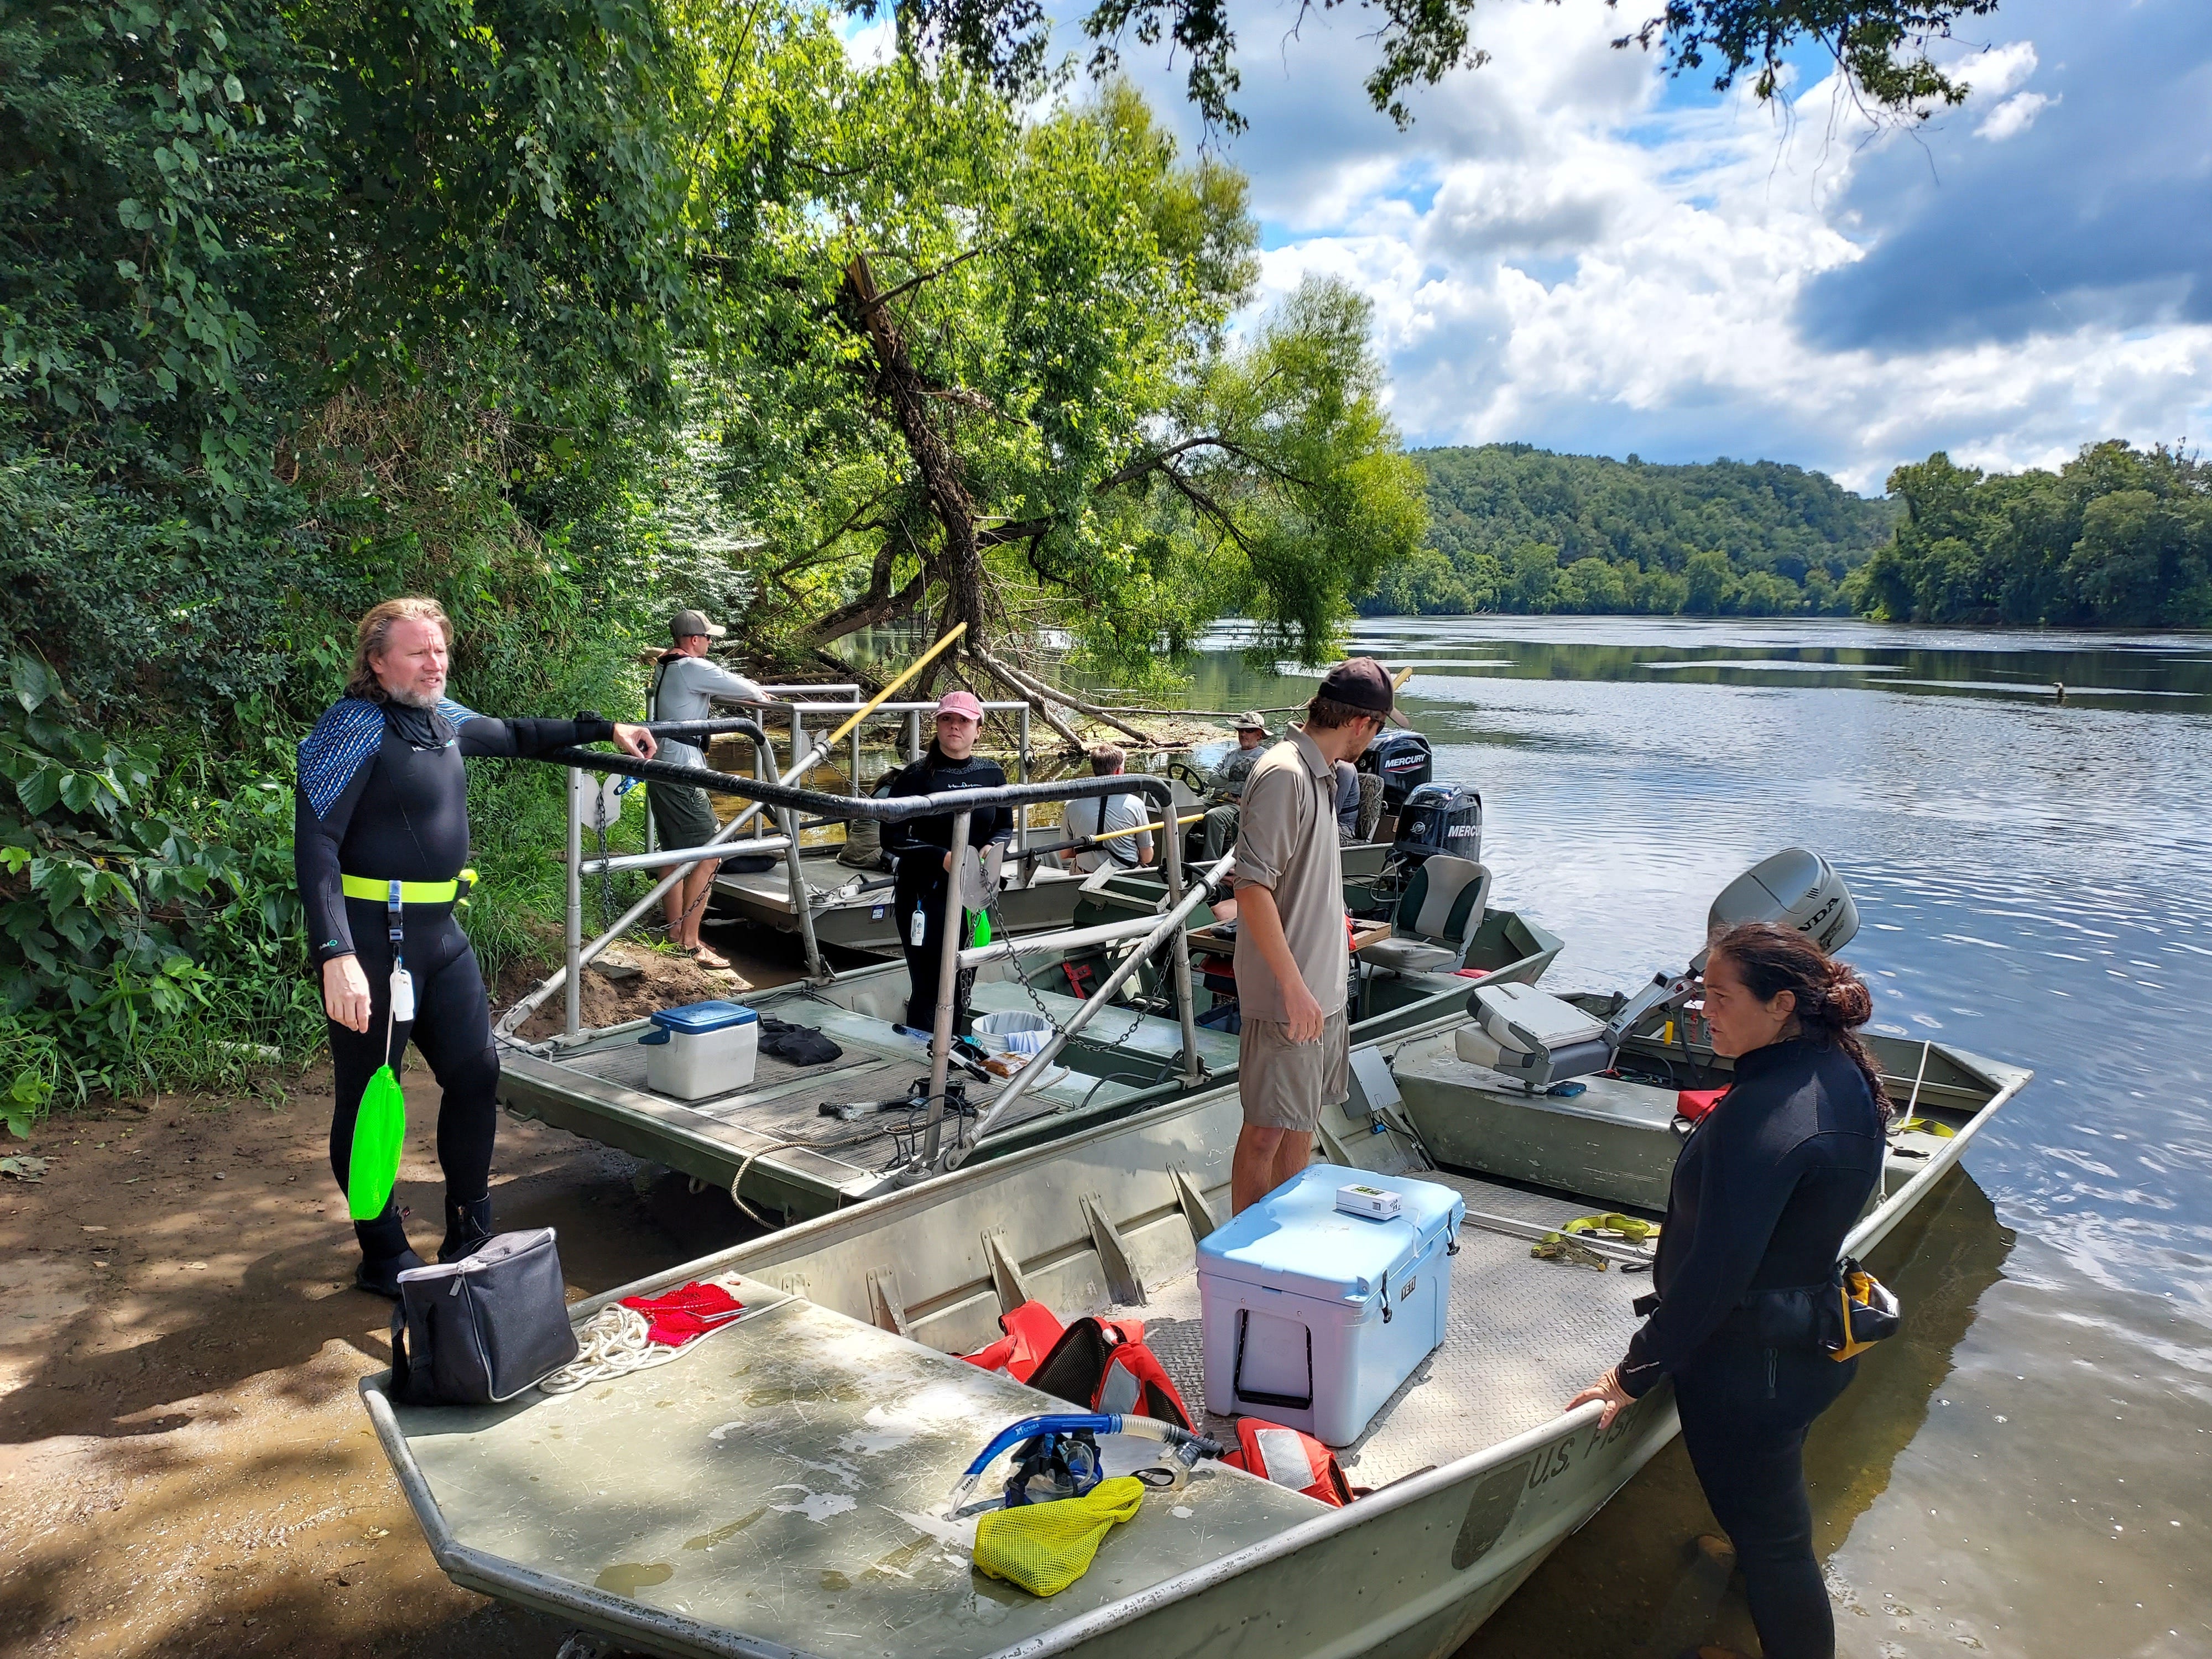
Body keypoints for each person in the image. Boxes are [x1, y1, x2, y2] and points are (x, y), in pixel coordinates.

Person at [296, 597, 656, 1295]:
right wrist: (334, 953)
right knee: (371, 1095)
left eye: (439, 649)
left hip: (441, 937)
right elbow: (316, 847)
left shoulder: (443, 718)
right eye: (416, 652)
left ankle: (470, 1226)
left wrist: (604, 727)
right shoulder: (351, 727)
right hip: (375, 943)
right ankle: (383, 1252)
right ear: (376, 662)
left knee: (476, 1074)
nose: (434, 663)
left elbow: (515, 733)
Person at [1567, 922, 1889, 1659]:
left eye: (1720, 996)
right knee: (1770, 1521)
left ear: (1781, 1005)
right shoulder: (1835, 1068)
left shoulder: (1769, 1116)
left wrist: (1633, 1373)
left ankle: (1780, 1607)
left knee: (1781, 1547)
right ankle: (1752, 1564)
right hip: (1804, 1338)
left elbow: (1717, 1274)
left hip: (1753, 1370)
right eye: (1700, 992)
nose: (1700, 1011)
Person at [1227, 661, 1403, 1213]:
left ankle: (1290, 1260)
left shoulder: (1323, 773)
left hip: (1323, 990)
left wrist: (1337, 926)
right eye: (1379, 728)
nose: (1376, 739)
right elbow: (1252, 887)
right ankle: (1250, 1273)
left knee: (1298, 1128)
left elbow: (1305, 880)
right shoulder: (1285, 774)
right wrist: (1294, 988)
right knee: (1265, 1133)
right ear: (1361, 723)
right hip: (1292, 997)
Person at [883, 691, 1012, 1037]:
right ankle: (925, 1057)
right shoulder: (915, 777)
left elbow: (1004, 826)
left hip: (972, 891)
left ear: (978, 729)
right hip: (924, 893)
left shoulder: (991, 773)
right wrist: (942, 858)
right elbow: (892, 838)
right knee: (929, 984)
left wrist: (989, 848)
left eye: (963, 721)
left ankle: (952, 1050)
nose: (954, 726)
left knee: (961, 982)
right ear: (937, 724)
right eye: (947, 719)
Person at [647, 609, 766, 971]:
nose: (712, 643)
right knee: (710, 854)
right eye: (709, 638)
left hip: (662, 770)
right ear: (695, 640)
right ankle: (690, 943)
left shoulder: (665, 665)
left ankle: (674, 934)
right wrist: (758, 694)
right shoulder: (691, 667)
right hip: (684, 774)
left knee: (673, 856)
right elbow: (747, 690)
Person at [1059, 744, 1155, 874]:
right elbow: (1147, 857)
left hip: (1084, 876)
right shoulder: (1136, 804)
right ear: (1118, 771)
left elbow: (1065, 853)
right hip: (1124, 876)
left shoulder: (1072, 805)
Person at [1198, 712, 1270, 864]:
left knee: (1214, 817)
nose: (1243, 734)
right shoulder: (1230, 754)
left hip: (1238, 805)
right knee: (1185, 808)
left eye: (1249, 730)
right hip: (1216, 799)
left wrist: (1225, 776)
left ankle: (1209, 866)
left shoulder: (1264, 758)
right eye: (1240, 730)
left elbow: (1251, 786)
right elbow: (1212, 780)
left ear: (1259, 735)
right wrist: (1233, 774)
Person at [1332, 759, 1363, 844]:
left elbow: (1333, 810)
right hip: (1333, 822)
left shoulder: (1343, 769)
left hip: (1343, 827)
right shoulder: (1332, 766)